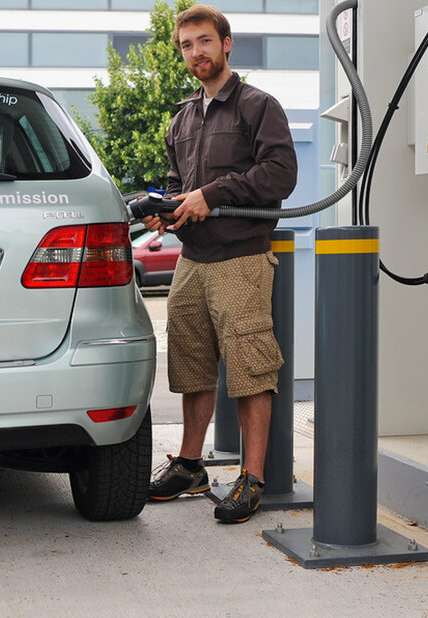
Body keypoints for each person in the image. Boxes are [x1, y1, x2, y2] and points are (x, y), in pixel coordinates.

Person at [144, 4, 297, 524]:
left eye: (204, 42)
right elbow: (174, 180)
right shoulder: (182, 118)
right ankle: (190, 465)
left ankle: (253, 477)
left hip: (241, 255)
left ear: (226, 44)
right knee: (190, 362)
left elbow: (280, 173)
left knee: (251, 365)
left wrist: (212, 193)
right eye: (186, 46)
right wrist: (167, 210)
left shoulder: (258, 106)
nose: (196, 54)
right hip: (193, 256)